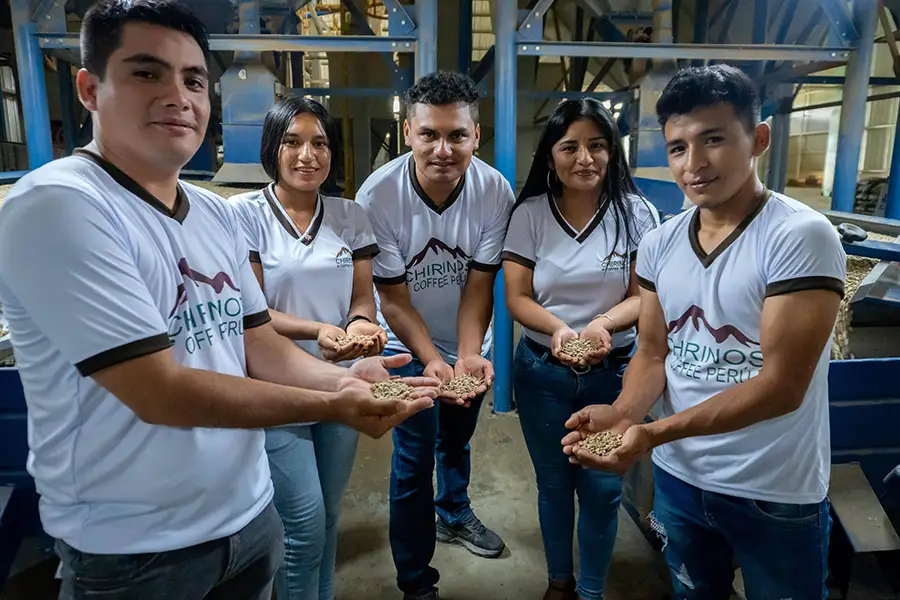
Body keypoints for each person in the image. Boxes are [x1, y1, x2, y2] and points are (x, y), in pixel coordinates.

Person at [0, 2, 438, 599]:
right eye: (146, 73)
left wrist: (343, 382)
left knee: (313, 526)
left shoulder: (210, 213)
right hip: (139, 547)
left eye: (194, 79)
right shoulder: (60, 206)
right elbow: (161, 391)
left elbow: (255, 341)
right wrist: (336, 403)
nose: (178, 96)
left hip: (247, 517)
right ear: (88, 88)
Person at [562, 64, 846, 600]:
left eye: (713, 140)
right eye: (677, 148)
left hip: (771, 488)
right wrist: (624, 415)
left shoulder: (799, 236)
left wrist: (650, 434)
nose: (693, 165)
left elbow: (782, 386)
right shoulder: (661, 243)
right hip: (680, 482)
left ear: (757, 139)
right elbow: (651, 351)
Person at [355, 70, 513, 600]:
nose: (443, 149)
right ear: (408, 133)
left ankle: (454, 511)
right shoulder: (378, 196)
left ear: (476, 134)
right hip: (404, 343)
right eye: (429, 135)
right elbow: (394, 299)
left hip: (467, 338)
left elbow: (479, 287)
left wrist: (466, 356)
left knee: (457, 439)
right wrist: (430, 361)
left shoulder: (494, 191)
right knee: (413, 456)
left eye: (457, 135)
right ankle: (416, 580)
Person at [228, 96, 387, 600]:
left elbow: (363, 297)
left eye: (319, 143)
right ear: (272, 148)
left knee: (329, 515)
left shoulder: (349, 216)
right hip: (275, 384)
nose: (307, 155)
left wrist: (361, 327)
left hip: (344, 378)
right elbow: (252, 311)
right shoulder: (245, 215)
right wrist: (319, 330)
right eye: (292, 142)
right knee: (302, 522)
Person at [503, 98, 659, 600]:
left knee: (603, 488)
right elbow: (517, 297)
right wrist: (559, 332)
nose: (584, 158)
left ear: (613, 153)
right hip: (543, 374)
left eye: (596, 145)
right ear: (550, 157)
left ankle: (590, 590)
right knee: (554, 485)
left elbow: (644, 297)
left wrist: (600, 325)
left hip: (616, 373)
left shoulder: (636, 213)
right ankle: (559, 583)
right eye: (569, 147)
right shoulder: (529, 215)